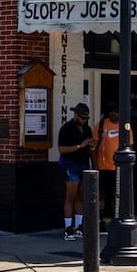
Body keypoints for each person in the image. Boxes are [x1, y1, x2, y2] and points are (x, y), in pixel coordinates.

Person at [57, 102, 95, 241]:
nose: (84, 120)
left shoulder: (87, 129)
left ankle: (79, 226)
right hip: (70, 163)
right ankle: (68, 227)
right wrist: (80, 145)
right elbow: (62, 149)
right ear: (75, 115)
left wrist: (91, 147)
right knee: (70, 196)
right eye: (82, 118)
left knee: (81, 195)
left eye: (86, 118)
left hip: (84, 163)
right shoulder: (66, 129)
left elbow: (90, 149)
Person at [92, 102, 132, 229]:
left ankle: (117, 219)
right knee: (102, 194)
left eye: (115, 111)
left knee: (117, 194)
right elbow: (93, 147)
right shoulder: (101, 125)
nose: (113, 113)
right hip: (103, 166)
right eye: (111, 111)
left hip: (118, 167)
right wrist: (94, 165)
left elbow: (130, 146)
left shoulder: (126, 127)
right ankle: (100, 220)